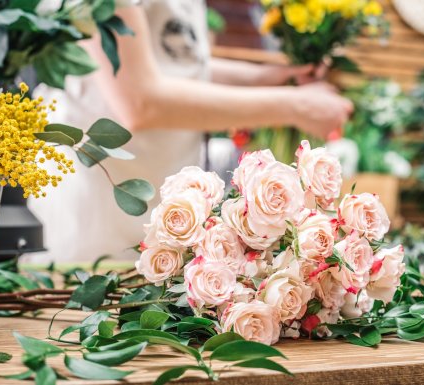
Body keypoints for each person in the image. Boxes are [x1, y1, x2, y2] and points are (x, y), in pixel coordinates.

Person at [28, 0, 353, 262]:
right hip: (96, 212)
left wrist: (271, 77)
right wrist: (294, 105)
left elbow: (178, 65)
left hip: (156, 203)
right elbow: (140, 103)